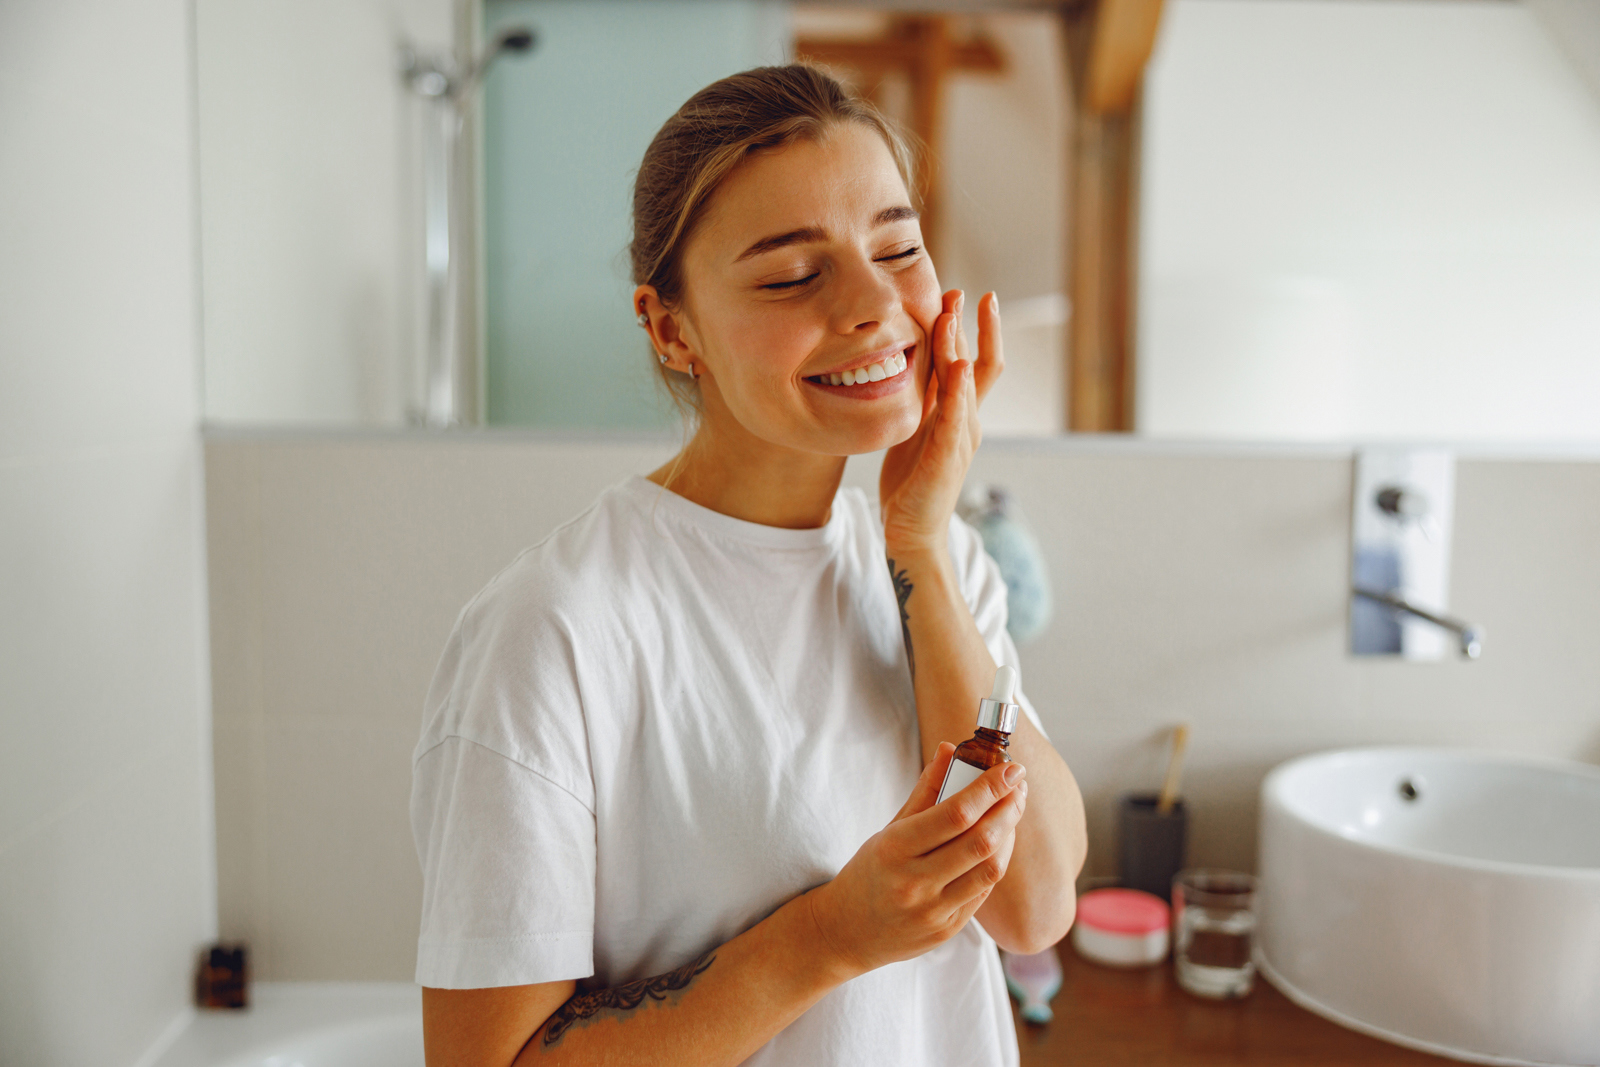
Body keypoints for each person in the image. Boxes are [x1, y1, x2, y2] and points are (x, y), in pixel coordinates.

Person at [411, 64, 1087, 1067]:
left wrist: (917, 547)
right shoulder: (555, 627)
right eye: (790, 275)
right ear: (670, 327)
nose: (874, 304)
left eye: (896, 247)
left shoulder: (935, 557)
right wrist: (826, 938)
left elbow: (1033, 906)